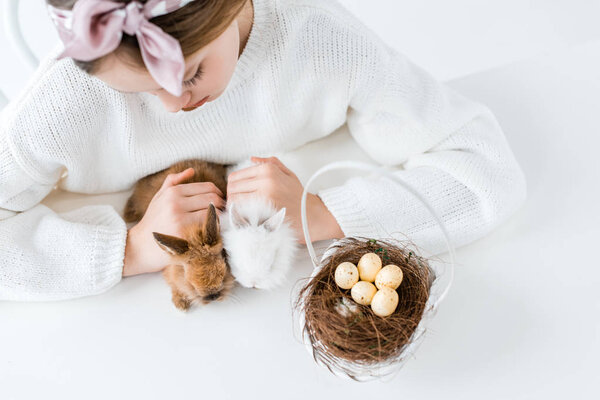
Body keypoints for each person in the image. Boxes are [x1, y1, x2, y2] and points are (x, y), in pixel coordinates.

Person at [0, 0, 526, 301]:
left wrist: (321, 213)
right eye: (138, 91)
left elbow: (486, 170)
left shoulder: (318, 39)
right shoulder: (65, 103)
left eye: (191, 74)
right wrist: (129, 249)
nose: (171, 108)